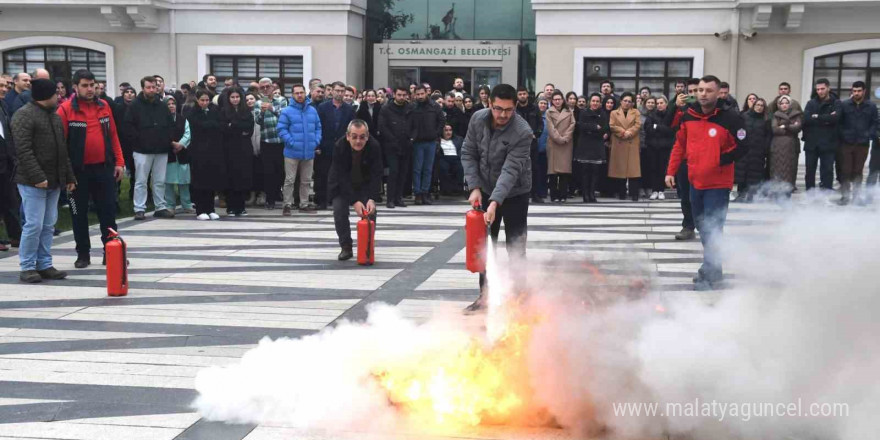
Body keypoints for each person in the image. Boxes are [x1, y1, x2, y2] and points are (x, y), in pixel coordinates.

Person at [664, 75, 747, 291]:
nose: (703, 94)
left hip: (718, 184)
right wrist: (671, 171)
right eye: (700, 90)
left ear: (718, 93)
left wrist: (719, 159)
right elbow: (679, 145)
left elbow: (743, 145)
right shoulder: (687, 116)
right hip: (694, 180)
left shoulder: (731, 119)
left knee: (713, 228)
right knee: (702, 227)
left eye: (708, 90)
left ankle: (709, 274)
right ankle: (714, 269)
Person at [461, 84, 533, 313]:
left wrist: (494, 202)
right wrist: (474, 187)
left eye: (508, 110)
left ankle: (519, 299)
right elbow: (468, 152)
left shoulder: (523, 132)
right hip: (484, 188)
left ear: (515, 107)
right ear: (489, 103)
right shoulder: (477, 119)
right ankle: (485, 296)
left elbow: (511, 171)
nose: (503, 115)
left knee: (516, 247)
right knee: (485, 246)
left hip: (515, 193)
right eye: (498, 108)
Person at [56, 69, 125, 268]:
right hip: (78, 173)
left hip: (104, 169)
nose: (90, 89)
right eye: (85, 86)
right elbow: (61, 145)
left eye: (92, 85)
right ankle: (83, 254)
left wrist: (119, 161)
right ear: (75, 87)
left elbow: (113, 135)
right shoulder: (66, 109)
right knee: (78, 214)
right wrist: (67, 175)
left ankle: (110, 252)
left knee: (108, 212)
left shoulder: (104, 106)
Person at [11, 78, 76, 283]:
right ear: (45, 96)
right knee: (34, 225)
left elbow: (62, 150)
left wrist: (69, 177)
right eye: (55, 94)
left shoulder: (54, 117)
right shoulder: (24, 116)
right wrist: (38, 177)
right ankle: (28, 266)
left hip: (54, 180)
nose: (59, 96)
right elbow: (23, 151)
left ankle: (45, 263)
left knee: (48, 225)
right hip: (33, 181)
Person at [328, 120, 382, 261]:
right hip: (341, 185)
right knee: (339, 211)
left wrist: (372, 198)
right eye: (354, 136)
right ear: (347, 136)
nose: (358, 141)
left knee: (371, 212)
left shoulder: (374, 146)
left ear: (368, 136)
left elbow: (376, 174)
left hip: (363, 184)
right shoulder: (339, 146)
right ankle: (346, 247)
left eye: (362, 137)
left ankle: (367, 246)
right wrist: (354, 201)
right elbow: (341, 177)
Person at [125, 76, 174, 220]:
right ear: (143, 88)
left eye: (154, 87)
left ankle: (160, 207)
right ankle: (139, 208)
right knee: (141, 180)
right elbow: (128, 127)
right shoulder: (134, 105)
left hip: (161, 149)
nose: (152, 90)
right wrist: (139, 140)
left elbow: (170, 124)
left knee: (160, 180)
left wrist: (167, 139)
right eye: (148, 87)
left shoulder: (162, 105)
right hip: (142, 150)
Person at [277, 83, 321, 215]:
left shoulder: (312, 110)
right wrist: (291, 141)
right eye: (297, 93)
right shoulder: (286, 111)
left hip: (309, 151)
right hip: (292, 151)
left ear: (305, 92)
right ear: (292, 95)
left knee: (306, 180)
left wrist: (316, 141)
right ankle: (287, 205)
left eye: (301, 92)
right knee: (289, 180)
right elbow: (281, 129)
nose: (300, 95)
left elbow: (318, 127)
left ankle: (304, 204)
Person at [669, 78, 701, 240]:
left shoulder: (711, 109)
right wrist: (675, 106)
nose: (694, 95)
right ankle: (688, 226)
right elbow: (670, 126)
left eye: (698, 91)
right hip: (685, 159)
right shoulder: (682, 110)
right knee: (685, 195)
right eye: (691, 92)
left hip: (703, 160)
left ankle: (705, 226)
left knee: (701, 196)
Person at [315, 82, 355, 210]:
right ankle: (322, 200)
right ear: (332, 91)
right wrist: (318, 145)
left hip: (343, 147)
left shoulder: (349, 109)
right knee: (322, 174)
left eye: (342, 91)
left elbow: (352, 129)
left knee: (343, 174)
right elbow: (318, 127)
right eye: (337, 90)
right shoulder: (322, 107)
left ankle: (340, 199)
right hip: (325, 146)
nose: (340, 93)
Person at [837, 81, 878, 204]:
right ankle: (845, 197)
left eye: (859, 91)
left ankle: (856, 197)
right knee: (845, 170)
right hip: (846, 143)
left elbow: (875, 123)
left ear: (864, 91)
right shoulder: (844, 105)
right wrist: (843, 135)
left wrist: (868, 135)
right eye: (854, 91)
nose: (856, 93)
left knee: (858, 171)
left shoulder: (871, 106)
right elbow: (839, 122)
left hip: (862, 144)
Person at [187, 90, 225, 220]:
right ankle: (200, 209)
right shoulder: (192, 112)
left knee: (211, 180)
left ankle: (210, 209)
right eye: (202, 100)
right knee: (199, 181)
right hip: (198, 152)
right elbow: (198, 126)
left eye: (207, 100)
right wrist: (210, 125)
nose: (205, 103)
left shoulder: (214, 111)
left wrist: (210, 125)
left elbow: (220, 125)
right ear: (197, 100)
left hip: (213, 151)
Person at [219, 87, 255, 216]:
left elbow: (248, 128)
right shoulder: (223, 111)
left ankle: (241, 206)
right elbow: (224, 128)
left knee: (243, 177)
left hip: (244, 148)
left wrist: (234, 125)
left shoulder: (246, 111)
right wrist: (236, 127)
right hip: (229, 149)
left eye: (237, 97)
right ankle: (231, 207)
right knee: (231, 177)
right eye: (232, 97)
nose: (235, 99)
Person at [255, 78, 289, 210]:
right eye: (262, 88)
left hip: (281, 141)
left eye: (267, 87)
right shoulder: (258, 103)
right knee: (268, 172)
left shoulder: (281, 100)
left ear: (272, 87)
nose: (265, 89)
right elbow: (258, 121)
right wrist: (262, 112)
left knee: (281, 171)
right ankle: (270, 200)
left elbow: (285, 116)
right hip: (267, 141)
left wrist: (272, 108)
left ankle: (278, 194)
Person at [802, 78, 841, 192]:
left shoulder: (836, 102)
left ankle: (827, 190)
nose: (820, 91)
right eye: (818, 89)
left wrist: (817, 116)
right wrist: (827, 118)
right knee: (810, 170)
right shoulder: (811, 103)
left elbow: (836, 118)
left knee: (828, 169)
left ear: (828, 88)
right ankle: (810, 192)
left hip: (829, 142)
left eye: (822, 89)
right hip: (811, 143)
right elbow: (806, 119)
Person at [409, 84, 444, 205]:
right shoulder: (412, 107)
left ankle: (425, 193)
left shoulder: (434, 106)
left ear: (427, 93)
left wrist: (436, 134)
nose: (420, 96)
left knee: (428, 169)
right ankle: (417, 194)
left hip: (431, 141)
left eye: (422, 94)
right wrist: (412, 136)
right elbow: (408, 122)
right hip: (417, 142)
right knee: (417, 169)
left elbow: (441, 121)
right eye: (417, 94)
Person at [733, 97, 771, 202]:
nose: (759, 107)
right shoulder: (744, 116)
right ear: (753, 106)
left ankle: (751, 196)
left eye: (761, 106)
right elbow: (739, 131)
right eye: (757, 105)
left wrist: (765, 149)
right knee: (741, 173)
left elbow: (768, 136)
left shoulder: (766, 120)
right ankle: (740, 194)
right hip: (744, 150)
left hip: (758, 152)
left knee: (754, 175)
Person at [380, 87, 412, 209]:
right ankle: (390, 199)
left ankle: (399, 198)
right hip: (391, 145)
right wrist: (392, 139)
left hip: (406, 145)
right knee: (393, 172)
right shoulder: (386, 109)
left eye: (404, 95)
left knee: (403, 173)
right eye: (399, 95)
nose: (402, 97)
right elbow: (382, 126)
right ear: (394, 95)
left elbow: (414, 124)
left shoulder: (410, 108)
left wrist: (411, 138)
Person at [0, 76, 22, 250]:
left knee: (11, 200)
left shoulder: (4, 106)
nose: (4, 89)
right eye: (1, 86)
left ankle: (16, 236)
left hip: (6, 162)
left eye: (5, 85)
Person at [574, 93, 608, 203]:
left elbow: (604, 128)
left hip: (597, 145)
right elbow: (581, 126)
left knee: (595, 172)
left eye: (597, 101)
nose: (595, 103)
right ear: (590, 102)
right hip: (585, 145)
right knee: (585, 172)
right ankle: (585, 195)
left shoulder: (603, 114)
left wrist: (594, 130)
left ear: (600, 103)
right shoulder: (583, 112)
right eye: (593, 101)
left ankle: (592, 194)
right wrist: (594, 127)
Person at [609, 92, 642, 201]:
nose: (627, 103)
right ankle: (621, 193)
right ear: (621, 101)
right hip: (619, 141)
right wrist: (623, 132)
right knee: (620, 169)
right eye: (625, 101)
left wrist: (630, 132)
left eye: (629, 101)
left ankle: (634, 194)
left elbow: (638, 125)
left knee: (633, 170)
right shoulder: (614, 113)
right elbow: (612, 126)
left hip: (632, 141)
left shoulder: (636, 112)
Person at [164, 96, 193, 214]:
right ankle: (170, 205)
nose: (171, 106)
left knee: (184, 181)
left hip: (182, 153)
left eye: (173, 103)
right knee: (168, 182)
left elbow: (188, 134)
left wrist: (180, 145)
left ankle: (186, 204)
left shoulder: (183, 119)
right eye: (168, 104)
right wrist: (172, 144)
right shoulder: (162, 119)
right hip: (168, 153)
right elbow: (161, 134)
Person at [515, 86, 544, 204]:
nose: (522, 96)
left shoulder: (534, 108)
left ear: (527, 95)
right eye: (520, 94)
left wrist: (536, 134)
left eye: (524, 94)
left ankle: (535, 194)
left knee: (534, 168)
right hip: (517, 144)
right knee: (519, 169)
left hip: (532, 143)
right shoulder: (514, 109)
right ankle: (521, 194)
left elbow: (540, 124)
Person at [545, 90, 575, 203]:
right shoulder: (549, 112)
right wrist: (559, 138)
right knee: (552, 172)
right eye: (555, 99)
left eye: (559, 99)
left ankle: (563, 195)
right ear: (552, 101)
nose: (557, 101)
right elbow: (550, 128)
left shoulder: (569, 111)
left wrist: (566, 138)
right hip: (553, 143)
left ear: (563, 100)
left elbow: (572, 125)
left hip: (566, 144)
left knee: (564, 172)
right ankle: (553, 195)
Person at [644, 96, 675, 200]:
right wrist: (661, 128)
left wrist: (657, 126)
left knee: (662, 168)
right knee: (653, 168)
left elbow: (671, 131)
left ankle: (661, 190)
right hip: (652, 146)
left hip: (665, 147)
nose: (659, 105)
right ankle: (654, 190)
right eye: (658, 103)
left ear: (666, 104)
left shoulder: (670, 115)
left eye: (662, 103)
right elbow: (648, 129)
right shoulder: (651, 115)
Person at [435, 123, 464, 195]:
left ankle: (457, 189)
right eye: (446, 130)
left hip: (456, 158)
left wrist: (459, 157)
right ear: (442, 132)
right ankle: (446, 189)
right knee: (443, 167)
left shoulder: (458, 139)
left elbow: (461, 150)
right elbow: (437, 152)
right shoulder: (438, 140)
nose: (448, 132)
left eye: (450, 130)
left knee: (460, 168)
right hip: (444, 158)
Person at [534, 97, 550, 202]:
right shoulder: (535, 116)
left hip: (545, 149)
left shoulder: (549, 118)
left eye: (545, 103)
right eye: (541, 103)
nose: (543, 105)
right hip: (534, 149)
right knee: (535, 172)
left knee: (544, 172)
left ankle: (543, 192)